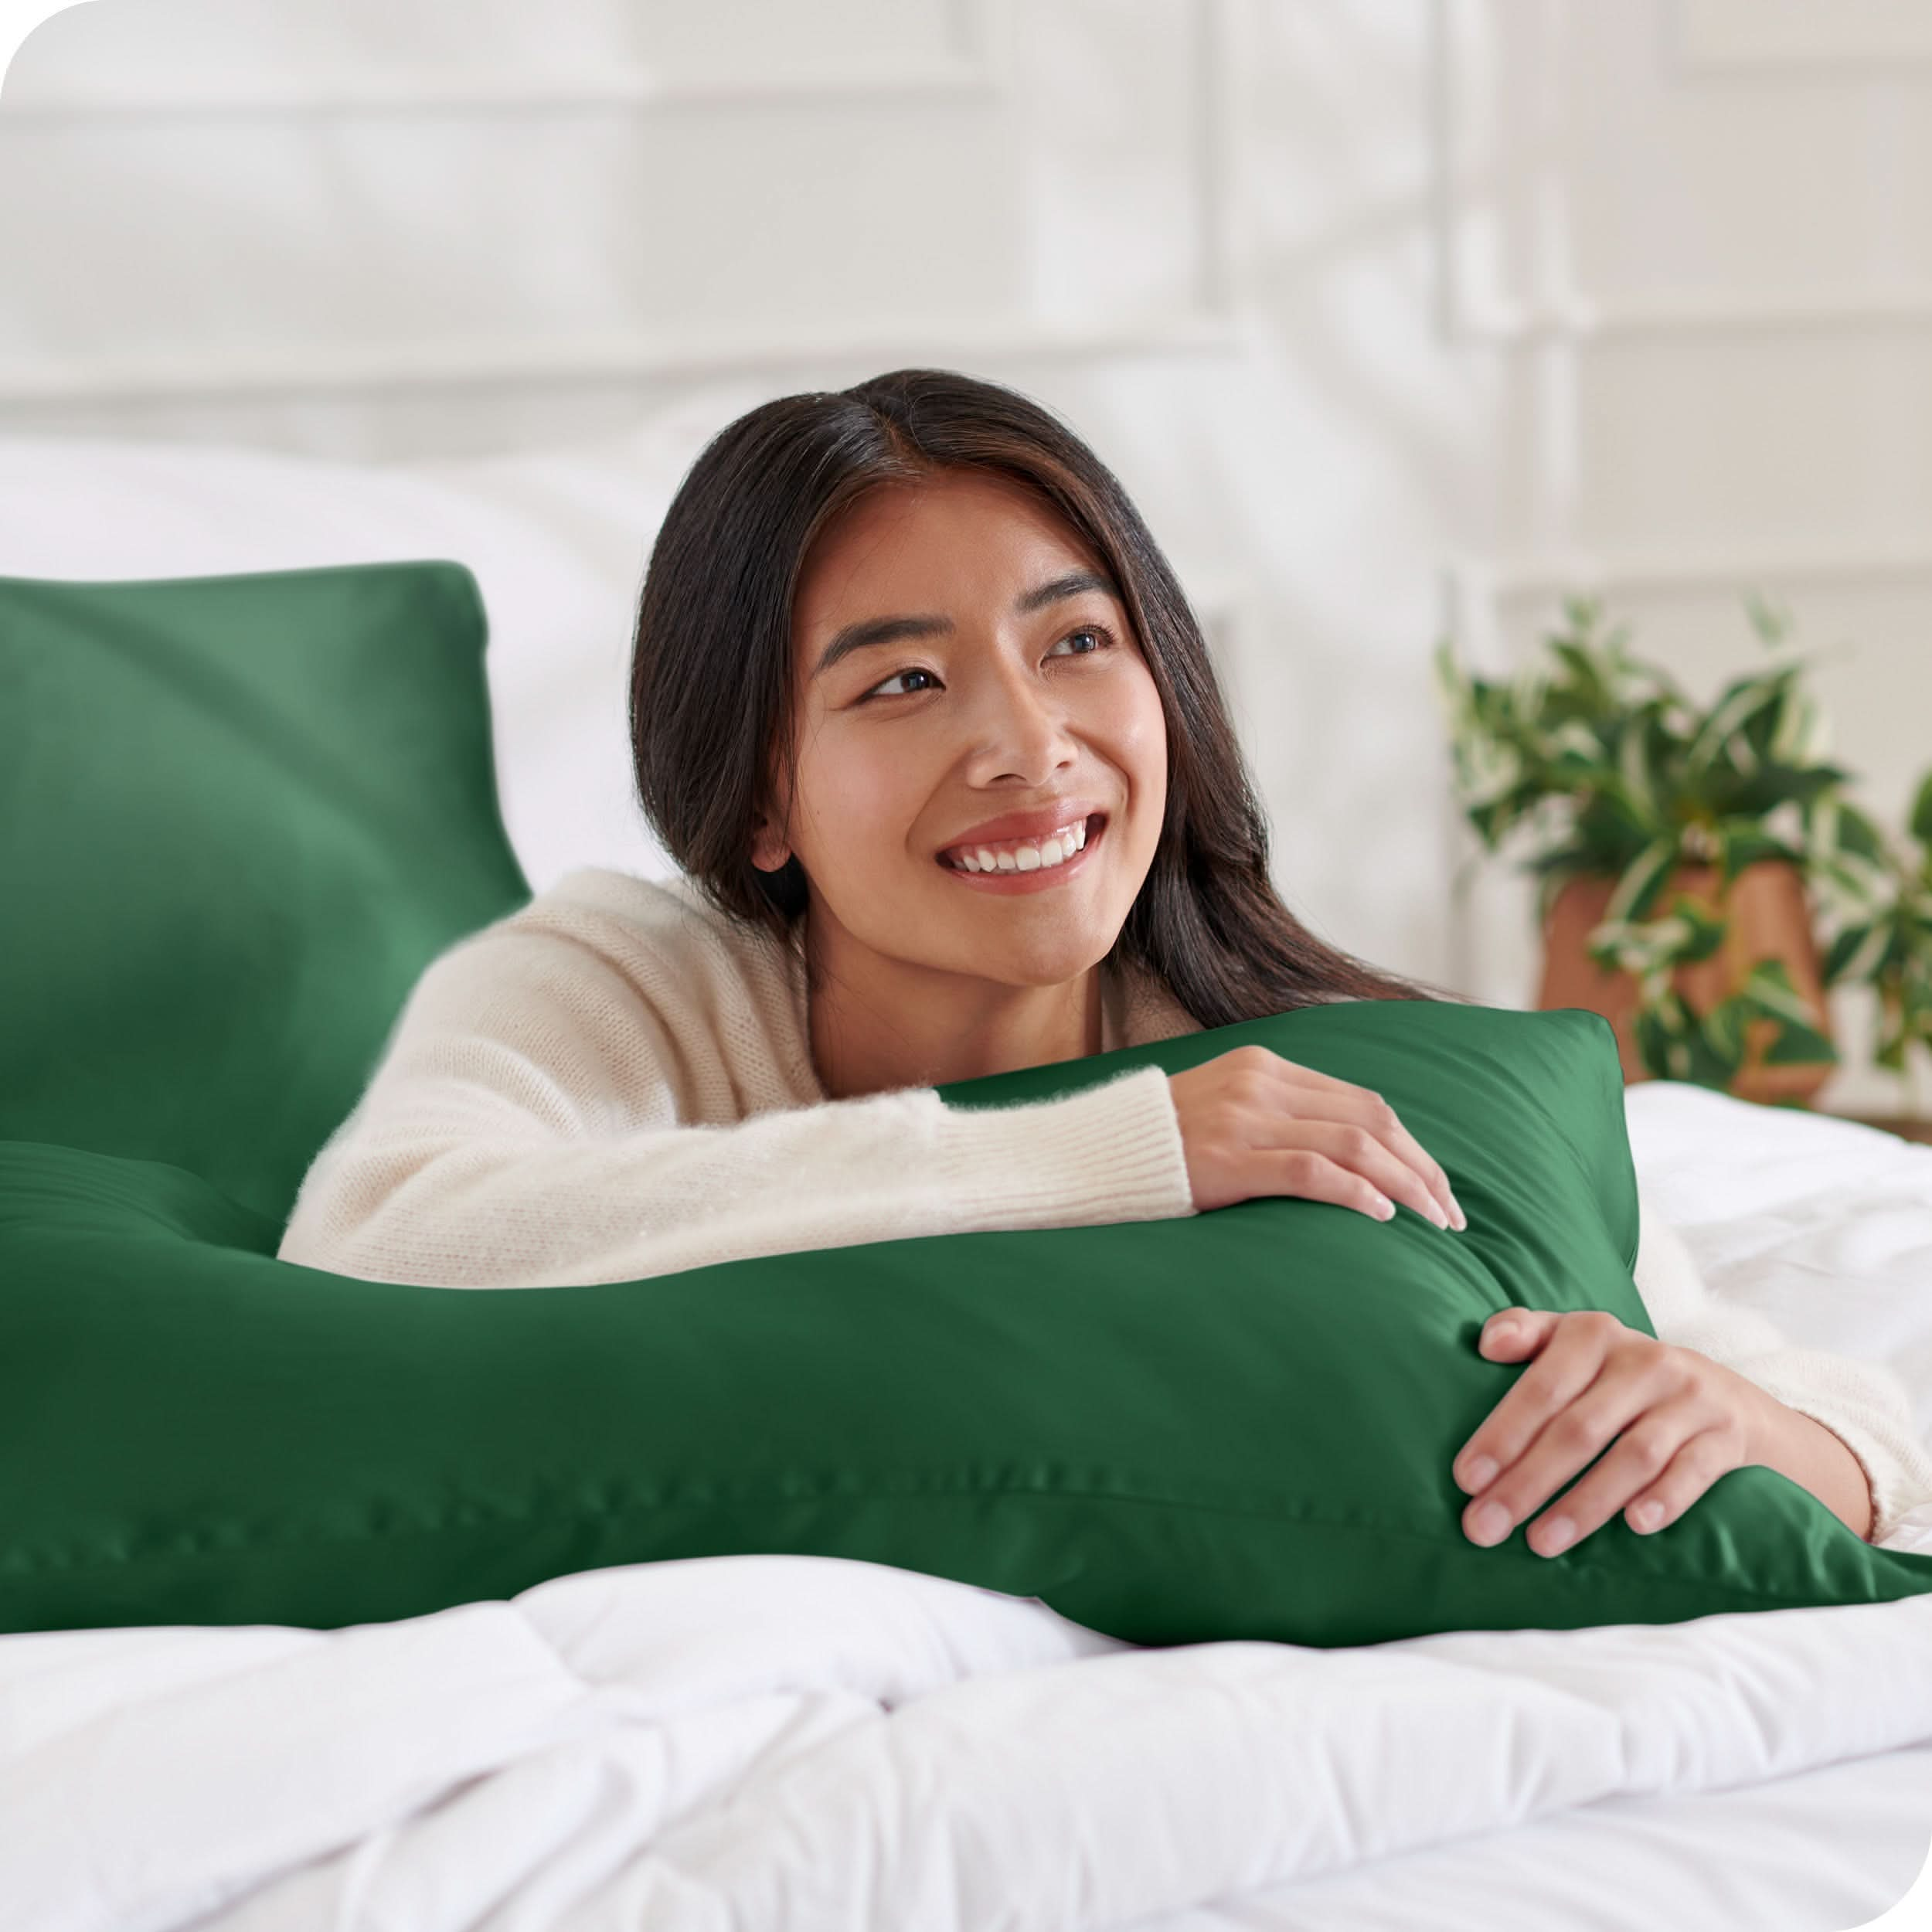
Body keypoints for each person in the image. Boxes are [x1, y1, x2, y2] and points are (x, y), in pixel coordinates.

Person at [277, 367, 1932, 1556]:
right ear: (761, 794)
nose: (1027, 743)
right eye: (900, 684)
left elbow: (1859, 1442)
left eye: (1075, 642)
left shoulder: (1307, 1066)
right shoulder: (625, 975)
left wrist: (1751, 1427)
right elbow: (381, 1240)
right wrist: (1113, 1152)